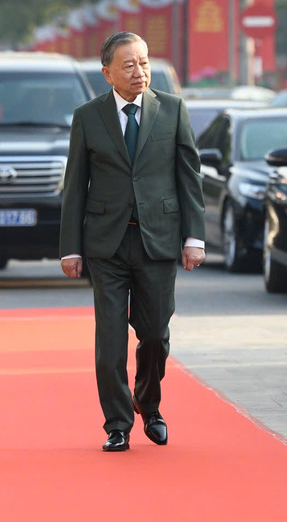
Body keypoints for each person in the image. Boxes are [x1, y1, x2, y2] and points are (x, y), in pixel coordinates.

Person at [59, 31, 205, 452]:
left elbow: (188, 177)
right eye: (129, 65)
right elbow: (75, 185)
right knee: (110, 341)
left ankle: (149, 403)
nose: (139, 71)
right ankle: (117, 424)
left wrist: (193, 238)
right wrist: (71, 248)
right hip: (105, 245)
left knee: (155, 335)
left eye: (144, 62)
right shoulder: (88, 116)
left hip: (158, 241)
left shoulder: (172, 109)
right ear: (107, 73)